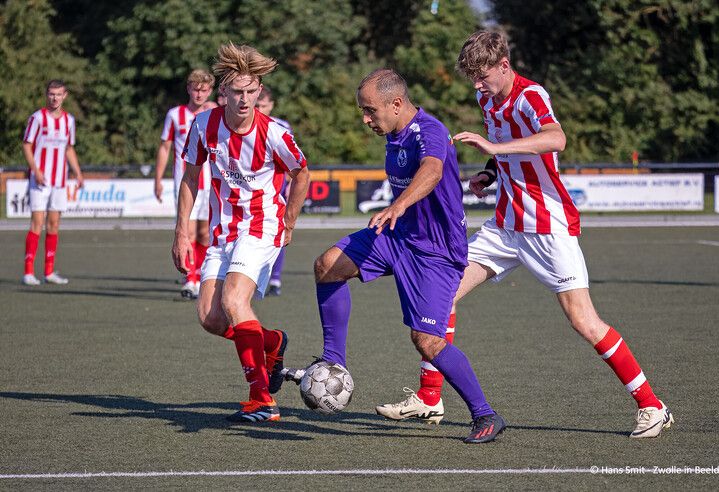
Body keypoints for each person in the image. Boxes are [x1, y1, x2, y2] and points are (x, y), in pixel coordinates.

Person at [376, 29, 674, 439]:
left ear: (504, 65)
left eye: (483, 76)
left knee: (583, 321)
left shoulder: (531, 95)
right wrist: (490, 172)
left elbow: (556, 138)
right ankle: (430, 397)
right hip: (504, 225)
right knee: (442, 296)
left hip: (547, 225)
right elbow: (509, 152)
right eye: (473, 79)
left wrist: (493, 150)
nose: (477, 86)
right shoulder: (487, 98)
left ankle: (651, 405)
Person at [311, 68, 505, 444]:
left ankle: (485, 414)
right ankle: (333, 359)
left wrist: (398, 205)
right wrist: (398, 213)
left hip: (435, 250)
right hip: (397, 236)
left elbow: (432, 171)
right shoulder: (394, 133)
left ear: (396, 104)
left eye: (370, 111)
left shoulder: (429, 130)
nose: (366, 119)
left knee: (426, 341)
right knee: (327, 265)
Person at [172, 42, 310, 423]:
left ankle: (261, 399)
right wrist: (182, 232)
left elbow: (302, 173)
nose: (246, 99)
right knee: (211, 319)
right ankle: (271, 342)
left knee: (235, 301)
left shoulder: (275, 134)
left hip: (262, 225)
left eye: (253, 92)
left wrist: (290, 221)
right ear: (223, 92)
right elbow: (189, 177)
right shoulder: (204, 125)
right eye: (238, 92)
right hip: (223, 232)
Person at [155, 69, 218, 299]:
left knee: (204, 234)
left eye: (204, 89)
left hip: (211, 183)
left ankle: (199, 275)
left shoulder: (215, 113)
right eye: (195, 89)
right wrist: (158, 178)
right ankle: (190, 279)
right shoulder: (175, 115)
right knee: (188, 231)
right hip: (186, 182)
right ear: (188, 89)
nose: (199, 93)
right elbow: (165, 147)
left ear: (210, 91)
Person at [21, 80, 84, 285]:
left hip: (59, 180)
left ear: (65, 95)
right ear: (46, 95)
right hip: (40, 180)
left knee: (54, 224)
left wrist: (78, 172)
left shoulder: (69, 121)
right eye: (51, 94)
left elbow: (69, 149)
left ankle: (49, 272)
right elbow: (27, 145)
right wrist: (36, 170)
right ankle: (28, 272)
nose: (54, 98)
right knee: (37, 223)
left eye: (58, 94)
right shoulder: (37, 118)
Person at [256, 86, 292, 296]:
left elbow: (291, 161)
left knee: (277, 234)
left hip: (276, 189)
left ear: (271, 105)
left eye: (264, 105)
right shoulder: (244, 124)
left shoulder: (281, 126)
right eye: (257, 105)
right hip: (252, 191)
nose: (260, 109)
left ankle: (275, 279)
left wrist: (288, 187)